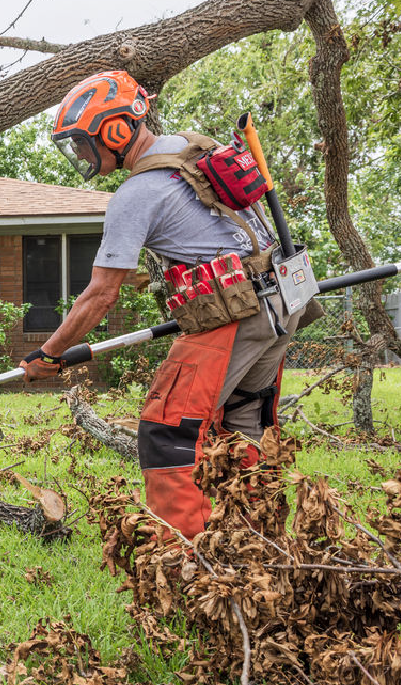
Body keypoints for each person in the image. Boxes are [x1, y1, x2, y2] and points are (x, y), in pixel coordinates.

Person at [20, 70, 306, 541]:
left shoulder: (137, 193)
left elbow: (101, 293)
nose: (78, 154)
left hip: (235, 311)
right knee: (244, 419)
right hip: (282, 301)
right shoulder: (199, 149)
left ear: (116, 130)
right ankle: (257, 540)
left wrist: (50, 353)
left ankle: (187, 560)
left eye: (82, 142)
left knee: (167, 430)